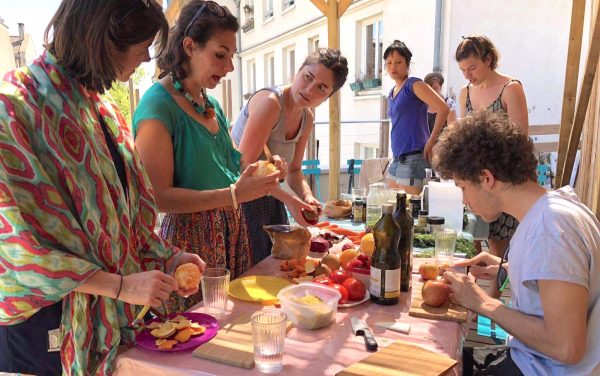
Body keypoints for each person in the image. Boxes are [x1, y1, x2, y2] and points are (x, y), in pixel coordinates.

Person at [0, 1, 207, 375]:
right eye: (142, 44)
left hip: (108, 322)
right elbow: (16, 245)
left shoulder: (101, 110)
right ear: (103, 37)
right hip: (47, 328)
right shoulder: (13, 107)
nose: (146, 58)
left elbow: (127, 223)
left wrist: (169, 258)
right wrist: (120, 286)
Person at [133, 0, 281, 311]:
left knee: (232, 330)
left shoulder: (210, 104)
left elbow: (233, 164)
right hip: (190, 244)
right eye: (220, 55)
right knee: (196, 339)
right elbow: (158, 197)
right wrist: (232, 195)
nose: (229, 67)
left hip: (231, 232)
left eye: (231, 57)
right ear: (189, 46)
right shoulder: (158, 105)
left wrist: (263, 170)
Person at [433, 111, 600, 376]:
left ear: (486, 178)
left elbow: (567, 347)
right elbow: (562, 281)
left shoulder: (551, 227)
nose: (464, 201)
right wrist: (511, 268)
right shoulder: (557, 206)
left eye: (463, 187)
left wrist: (483, 303)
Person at [231, 48, 348, 264]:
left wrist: (306, 197)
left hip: (271, 200)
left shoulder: (307, 118)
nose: (310, 89)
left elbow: (294, 171)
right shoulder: (270, 102)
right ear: (298, 71)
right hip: (239, 201)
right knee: (251, 274)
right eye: (308, 77)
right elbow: (243, 166)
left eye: (321, 87)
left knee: (276, 269)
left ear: (327, 97)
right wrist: (290, 201)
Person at [455, 34, 529, 257]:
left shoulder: (510, 88)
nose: (468, 76)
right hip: (474, 176)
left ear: (488, 59)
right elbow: (463, 135)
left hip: (504, 176)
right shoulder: (464, 93)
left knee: (498, 243)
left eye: (473, 68)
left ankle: (495, 292)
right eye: (463, 70)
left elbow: (520, 138)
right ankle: (470, 288)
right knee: (470, 239)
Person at [384, 40, 449, 195]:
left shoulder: (413, 84)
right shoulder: (391, 92)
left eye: (399, 62)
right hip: (397, 158)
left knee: (410, 210)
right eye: (389, 63)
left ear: (407, 64)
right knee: (392, 207)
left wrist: (431, 142)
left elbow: (443, 108)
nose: (393, 67)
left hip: (414, 156)